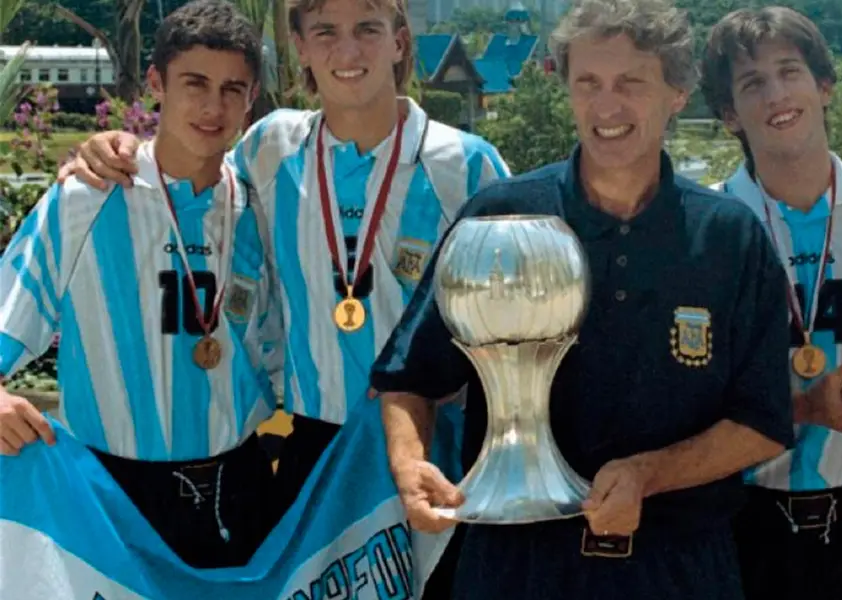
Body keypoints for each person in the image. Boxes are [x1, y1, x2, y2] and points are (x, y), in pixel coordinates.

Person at [369, 0, 793, 598]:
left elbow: (764, 420)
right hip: (517, 566)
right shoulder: (500, 218)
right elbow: (410, 376)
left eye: (631, 83)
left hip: (676, 566)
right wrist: (410, 466)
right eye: (587, 82)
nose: (607, 106)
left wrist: (648, 476)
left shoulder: (728, 236)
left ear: (677, 92)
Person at [57, 0, 508, 549]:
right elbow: (192, 167)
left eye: (367, 29)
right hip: (312, 449)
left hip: (437, 439)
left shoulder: (468, 165)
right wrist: (110, 151)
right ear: (300, 48)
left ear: (398, 40)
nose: (347, 51)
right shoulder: (270, 148)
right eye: (325, 31)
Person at [0, 0, 280, 569]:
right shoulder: (86, 200)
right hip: (111, 492)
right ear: (156, 83)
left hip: (242, 486)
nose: (212, 106)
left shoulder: (258, 207)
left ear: (251, 99)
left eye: (232, 89)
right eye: (194, 83)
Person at [699, 7, 842, 599]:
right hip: (741, 514)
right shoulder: (704, 230)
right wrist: (806, 406)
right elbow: (690, 392)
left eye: (789, 71)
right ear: (728, 114)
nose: (777, 94)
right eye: (752, 84)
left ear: (824, 86)